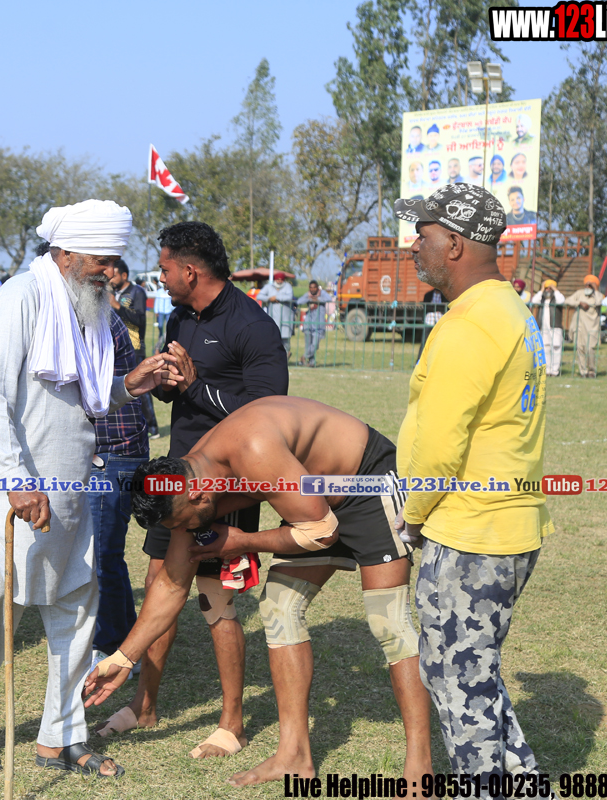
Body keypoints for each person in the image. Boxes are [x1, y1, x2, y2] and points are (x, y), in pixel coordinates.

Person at [86, 396, 431, 787]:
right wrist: (122, 657)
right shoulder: (188, 479)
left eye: (182, 524)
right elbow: (171, 583)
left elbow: (322, 532)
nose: (182, 532)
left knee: (389, 622)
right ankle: (294, 756)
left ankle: (420, 773)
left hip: (365, 483)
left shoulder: (253, 449)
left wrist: (243, 540)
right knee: (279, 607)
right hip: (314, 502)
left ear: (197, 497)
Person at [0, 199, 174, 778]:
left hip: (70, 489)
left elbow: (81, 397)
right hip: (7, 493)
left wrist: (129, 384)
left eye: (114, 261)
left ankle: (60, 738)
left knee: (75, 611)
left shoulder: (88, 308)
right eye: (101, 261)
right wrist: (17, 482)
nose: (110, 272)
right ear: (66, 252)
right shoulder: (20, 298)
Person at [98, 221, 287, 761]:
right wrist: (161, 380)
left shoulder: (254, 326)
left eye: (163, 268)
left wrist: (196, 386)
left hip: (226, 486)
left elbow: (267, 415)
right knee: (158, 581)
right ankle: (144, 705)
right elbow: (177, 396)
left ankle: (232, 723)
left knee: (214, 597)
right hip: (174, 481)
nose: (158, 277)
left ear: (189, 270)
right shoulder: (181, 316)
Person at [393, 183, 552, 788]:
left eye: (424, 234)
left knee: (459, 685)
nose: (414, 246)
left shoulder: (469, 323)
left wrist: (411, 515)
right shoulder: (510, 310)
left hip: (470, 532)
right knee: (472, 675)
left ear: (455, 244)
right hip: (505, 523)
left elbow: (439, 447)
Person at [88, 286, 150, 667]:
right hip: (115, 450)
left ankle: (114, 647)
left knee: (101, 556)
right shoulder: (97, 315)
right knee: (105, 556)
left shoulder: (95, 321)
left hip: (112, 452)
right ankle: (127, 642)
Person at [108, 258, 158, 436]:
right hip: (117, 349)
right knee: (123, 389)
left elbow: (139, 319)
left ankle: (152, 427)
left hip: (135, 348)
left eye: (114, 275)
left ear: (124, 275)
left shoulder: (137, 292)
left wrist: (116, 306)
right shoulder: (113, 292)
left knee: (142, 389)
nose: (111, 278)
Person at [566, 274, 604, 378]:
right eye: (586, 285)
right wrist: (579, 302)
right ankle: (583, 371)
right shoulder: (579, 293)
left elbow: (600, 302)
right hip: (579, 326)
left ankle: (592, 371)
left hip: (591, 327)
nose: (587, 287)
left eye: (590, 285)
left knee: (590, 349)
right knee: (580, 348)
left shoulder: (598, 295)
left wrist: (596, 290)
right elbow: (567, 300)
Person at [530, 279, 566, 377]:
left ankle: (555, 371)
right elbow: (534, 301)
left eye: (550, 288)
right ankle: (548, 370)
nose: (548, 290)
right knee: (546, 347)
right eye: (547, 288)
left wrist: (555, 289)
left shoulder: (556, 298)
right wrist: (542, 289)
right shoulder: (541, 298)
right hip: (544, 327)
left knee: (556, 347)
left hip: (555, 327)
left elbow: (561, 300)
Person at [256, 272, 296, 360]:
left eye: (281, 279)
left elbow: (289, 297)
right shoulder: (269, 287)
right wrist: (269, 298)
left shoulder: (288, 286)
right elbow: (259, 296)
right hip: (273, 317)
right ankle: (275, 358)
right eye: (278, 279)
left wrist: (277, 297)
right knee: (273, 338)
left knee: (285, 339)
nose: (279, 281)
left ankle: (286, 356)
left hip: (285, 317)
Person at [297, 280, 327, 367]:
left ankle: (304, 357)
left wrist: (318, 299)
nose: (312, 289)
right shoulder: (308, 295)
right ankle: (311, 362)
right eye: (311, 287)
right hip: (308, 323)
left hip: (319, 324)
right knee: (308, 344)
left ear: (317, 288)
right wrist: (309, 299)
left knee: (315, 344)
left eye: (314, 287)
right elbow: (299, 301)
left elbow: (329, 299)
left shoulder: (322, 293)